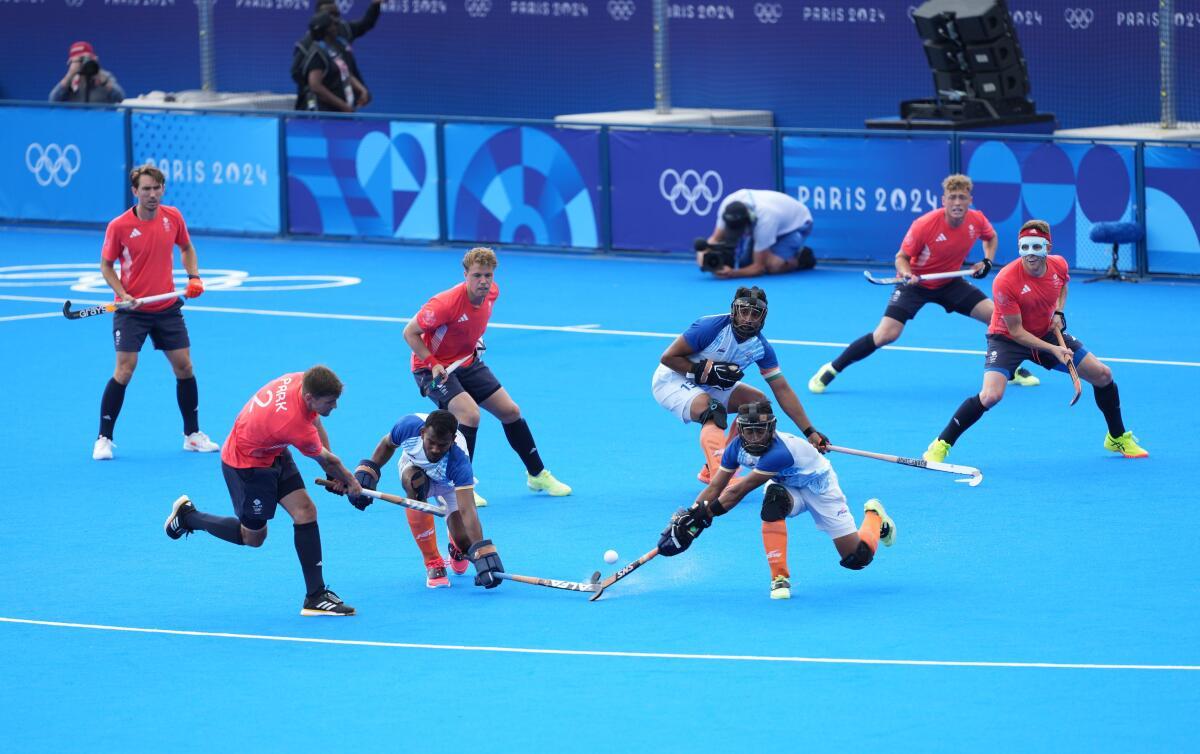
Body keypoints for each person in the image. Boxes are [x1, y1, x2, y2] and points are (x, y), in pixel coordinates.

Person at [922, 221, 1149, 463]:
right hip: (1007, 339)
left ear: (1047, 247)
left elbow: (1062, 286)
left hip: (1045, 332)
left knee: (1103, 375)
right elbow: (1017, 332)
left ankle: (1116, 437)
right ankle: (941, 443)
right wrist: (1055, 349)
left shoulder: (1058, 265)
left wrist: (1059, 312)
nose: (1030, 253)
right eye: (1025, 247)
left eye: (1036, 246)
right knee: (991, 395)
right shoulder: (1005, 280)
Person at [807, 174, 1040, 394]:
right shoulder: (925, 224)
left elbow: (990, 237)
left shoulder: (976, 220)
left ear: (970, 199)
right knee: (886, 334)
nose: (957, 202)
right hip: (915, 284)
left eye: (962, 197)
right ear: (944, 200)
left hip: (950, 281)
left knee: (997, 317)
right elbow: (901, 257)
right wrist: (907, 273)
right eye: (952, 197)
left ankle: (1010, 368)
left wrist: (987, 260)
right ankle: (832, 368)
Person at [164, 366, 363, 615]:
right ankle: (188, 517)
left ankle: (315, 596)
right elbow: (327, 460)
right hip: (246, 466)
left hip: (272, 450)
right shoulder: (293, 424)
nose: (335, 406)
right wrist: (353, 485)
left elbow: (317, 423)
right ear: (310, 398)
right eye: (331, 402)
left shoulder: (304, 382)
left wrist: (333, 476)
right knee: (254, 538)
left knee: (306, 511)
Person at [656, 401, 896, 600]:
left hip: (820, 488)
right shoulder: (735, 448)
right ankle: (779, 578)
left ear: (771, 429)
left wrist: (703, 519)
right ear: (740, 430)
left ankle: (875, 516)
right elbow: (717, 486)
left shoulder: (778, 452)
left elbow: (738, 491)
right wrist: (690, 513)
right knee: (773, 502)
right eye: (748, 430)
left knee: (856, 559)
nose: (753, 436)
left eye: (759, 430)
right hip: (785, 486)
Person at [403, 247, 571, 503]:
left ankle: (536, 474)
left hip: (466, 361)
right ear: (465, 275)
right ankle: (460, 486)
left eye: (488, 275)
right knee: (469, 414)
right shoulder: (443, 304)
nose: (483, 281)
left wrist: (475, 340)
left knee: (510, 411)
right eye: (477, 275)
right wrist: (433, 362)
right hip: (432, 369)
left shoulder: (492, 293)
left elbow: (470, 324)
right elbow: (409, 333)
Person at [93, 164, 217, 461]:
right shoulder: (119, 226)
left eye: (156, 188)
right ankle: (104, 438)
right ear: (135, 191)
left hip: (166, 308)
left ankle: (192, 436)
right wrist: (123, 294)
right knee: (125, 370)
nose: (151, 194)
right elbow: (106, 266)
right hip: (131, 311)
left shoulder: (172, 217)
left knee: (185, 367)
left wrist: (193, 276)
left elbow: (186, 248)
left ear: (163, 189)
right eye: (145, 189)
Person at [653, 286, 830, 486]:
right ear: (733, 311)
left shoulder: (760, 347)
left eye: (755, 314)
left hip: (711, 385)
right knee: (714, 412)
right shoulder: (709, 327)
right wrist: (705, 370)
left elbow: (782, 389)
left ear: (763, 317)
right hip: (673, 380)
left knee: (757, 405)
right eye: (744, 311)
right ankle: (720, 477)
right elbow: (668, 357)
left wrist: (810, 432)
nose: (748, 318)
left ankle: (715, 467)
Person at [349, 410, 505, 590]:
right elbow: (387, 444)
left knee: (465, 543)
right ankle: (433, 562)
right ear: (423, 433)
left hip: (448, 485)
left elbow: (467, 509)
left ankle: (456, 548)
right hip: (416, 471)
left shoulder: (459, 461)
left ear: (453, 439)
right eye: (431, 442)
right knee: (415, 484)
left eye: (442, 445)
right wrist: (371, 471)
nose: (435, 449)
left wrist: (480, 551)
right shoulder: (407, 426)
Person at [697, 189, 814, 279]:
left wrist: (732, 273)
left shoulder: (765, 221)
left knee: (773, 266)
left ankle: (802, 257)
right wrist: (705, 261)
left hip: (797, 225)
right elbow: (713, 240)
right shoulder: (727, 207)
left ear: (749, 223)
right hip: (775, 222)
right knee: (745, 264)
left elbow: (759, 268)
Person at [291, 0, 381, 110]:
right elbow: (309, 81)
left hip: (343, 106)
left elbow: (343, 71)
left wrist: (361, 89)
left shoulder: (340, 37)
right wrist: (329, 85)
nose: (336, 20)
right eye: (330, 15)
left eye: (337, 15)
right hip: (322, 109)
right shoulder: (310, 46)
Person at [299, 11, 369, 113]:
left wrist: (362, 89)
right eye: (333, 25)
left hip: (342, 113)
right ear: (326, 29)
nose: (337, 27)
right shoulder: (317, 54)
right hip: (326, 115)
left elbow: (345, 73)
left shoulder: (336, 48)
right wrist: (342, 105)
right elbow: (315, 86)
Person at [49, 41, 125, 105]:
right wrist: (70, 74)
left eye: (86, 58)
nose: (83, 63)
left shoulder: (104, 76)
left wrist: (103, 80)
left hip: (101, 120)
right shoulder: (71, 80)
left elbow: (120, 98)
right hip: (77, 120)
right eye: (80, 60)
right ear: (71, 62)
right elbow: (53, 100)